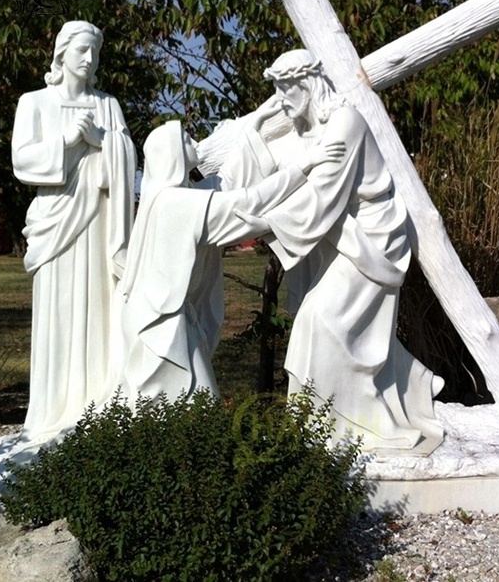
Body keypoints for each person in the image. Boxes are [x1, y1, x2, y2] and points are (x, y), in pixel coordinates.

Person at [220, 49, 445, 453]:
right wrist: (253, 124)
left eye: (286, 90)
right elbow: (267, 172)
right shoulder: (306, 130)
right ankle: (337, 418)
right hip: (339, 238)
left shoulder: (344, 122)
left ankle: (353, 427)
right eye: (276, 91)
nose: (281, 100)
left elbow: (322, 198)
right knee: (337, 330)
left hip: (371, 241)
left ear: (307, 85)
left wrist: (258, 223)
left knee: (321, 322)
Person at [119, 120, 345, 405]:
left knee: (183, 408)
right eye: (186, 139)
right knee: (189, 406)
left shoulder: (172, 197)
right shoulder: (178, 203)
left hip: (161, 316)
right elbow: (248, 202)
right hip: (158, 326)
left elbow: (229, 182)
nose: (194, 141)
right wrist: (305, 165)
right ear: (173, 153)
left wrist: (257, 125)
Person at [11, 20, 136, 445]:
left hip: (100, 225)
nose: (89, 59)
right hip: (57, 222)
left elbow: (127, 163)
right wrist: (65, 140)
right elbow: (22, 161)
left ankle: (95, 405)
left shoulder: (108, 106)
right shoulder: (34, 102)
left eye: (95, 52)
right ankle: (50, 412)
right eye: (81, 50)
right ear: (61, 53)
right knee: (59, 312)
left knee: (99, 310)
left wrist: (102, 139)